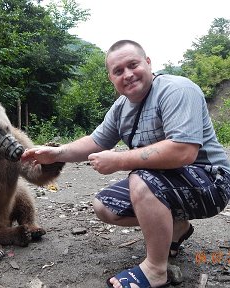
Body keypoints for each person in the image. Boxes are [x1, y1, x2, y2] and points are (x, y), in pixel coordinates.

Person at [21, 40, 230, 288]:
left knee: (140, 179)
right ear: (111, 78)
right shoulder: (122, 107)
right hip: (169, 182)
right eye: (118, 71)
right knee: (105, 206)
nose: (128, 75)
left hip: (212, 182)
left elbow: (183, 151)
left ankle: (155, 269)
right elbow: (95, 141)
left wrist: (119, 160)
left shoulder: (176, 90)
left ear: (148, 63)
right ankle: (177, 227)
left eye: (133, 65)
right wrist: (56, 154)